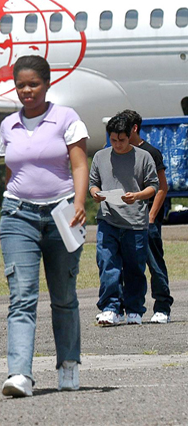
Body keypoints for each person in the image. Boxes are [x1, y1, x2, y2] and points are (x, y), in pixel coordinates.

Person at [0, 55, 89, 398]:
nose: (26, 91)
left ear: (47, 84)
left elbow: (79, 165)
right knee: (21, 296)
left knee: (63, 296)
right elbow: (11, 171)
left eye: (33, 84)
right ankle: (19, 374)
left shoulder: (67, 118)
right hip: (18, 214)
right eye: (20, 85)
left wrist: (80, 202)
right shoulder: (8, 125)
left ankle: (68, 364)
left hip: (62, 213)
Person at [90, 113, 158, 328]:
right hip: (108, 219)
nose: (117, 144)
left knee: (134, 268)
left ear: (131, 136)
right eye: (113, 140)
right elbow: (93, 182)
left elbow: (153, 186)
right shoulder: (100, 157)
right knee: (107, 264)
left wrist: (136, 196)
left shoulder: (144, 157)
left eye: (122, 140)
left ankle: (135, 309)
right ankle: (110, 308)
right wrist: (95, 193)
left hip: (135, 222)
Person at [119, 109, 173, 323]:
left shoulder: (151, 152)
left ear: (134, 128)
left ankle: (162, 307)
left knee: (154, 263)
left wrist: (151, 216)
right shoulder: (118, 152)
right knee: (125, 265)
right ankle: (125, 308)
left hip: (146, 218)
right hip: (124, 218)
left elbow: (162, 187)